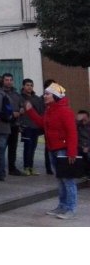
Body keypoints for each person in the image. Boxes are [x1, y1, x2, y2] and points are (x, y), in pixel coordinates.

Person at [24, 83, 79, 219]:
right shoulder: (50, 110)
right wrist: (30, 111)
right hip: (53, 149)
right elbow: (43, 124)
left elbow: (72, 133)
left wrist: (71, 152)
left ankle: (70, 208)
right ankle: (62, 206)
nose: (45, 96)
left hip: (63, 150)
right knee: (60, 179)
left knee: (67, 180)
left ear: (55, 96)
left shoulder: (65, 111)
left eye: (47, 94)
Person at [19, 78, 44, 175]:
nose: (29, 87)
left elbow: (40, 112)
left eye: (31, 85)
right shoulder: (20, 97)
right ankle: (26, 167)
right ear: (23, 86)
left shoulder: (37, 99)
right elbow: (19, 112)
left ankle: (31, 167)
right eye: (27, 85)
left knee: (33, 147)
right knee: (27, 147)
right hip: (26, 126)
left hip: (35, 127)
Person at [0, 73, 24, 176]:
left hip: (14, 125)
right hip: (3, 124)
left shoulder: (16, 94)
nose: (9, 82)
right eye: (6, 80)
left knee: (13, 148)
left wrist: (21, 110)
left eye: (10, 80)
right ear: (3, 81)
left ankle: (12, 167)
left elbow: (21, 106)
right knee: (1, 148)